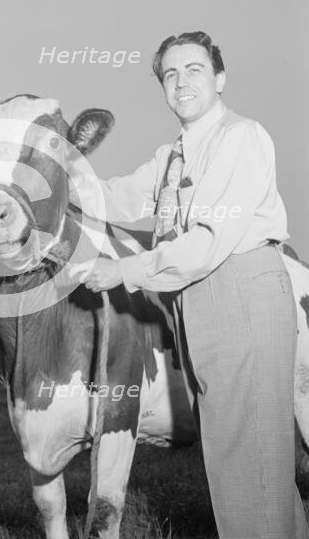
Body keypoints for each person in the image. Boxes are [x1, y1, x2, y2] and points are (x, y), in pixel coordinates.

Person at [71, 31, 309, 538]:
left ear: (220, 79)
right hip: (198, 299)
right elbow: (119, 198)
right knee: (246, 458)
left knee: (246, 456)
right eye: (171, 74)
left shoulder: (239, 137)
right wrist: (58, 174)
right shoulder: (172, 154)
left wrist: (125, 271)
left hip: (239, 286)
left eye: (194, 69)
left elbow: (209, 240)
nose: (182, 82)